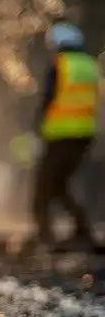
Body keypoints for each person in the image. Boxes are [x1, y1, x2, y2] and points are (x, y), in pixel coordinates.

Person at [29, 22, 102, 253]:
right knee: (59, 185)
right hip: (83, 137)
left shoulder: (60, 65)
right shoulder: (91, 66)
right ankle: (82, 229)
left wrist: (37, 124)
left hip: (60, 136)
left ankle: (45, 237)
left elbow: (49, 99)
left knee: (43, 187)